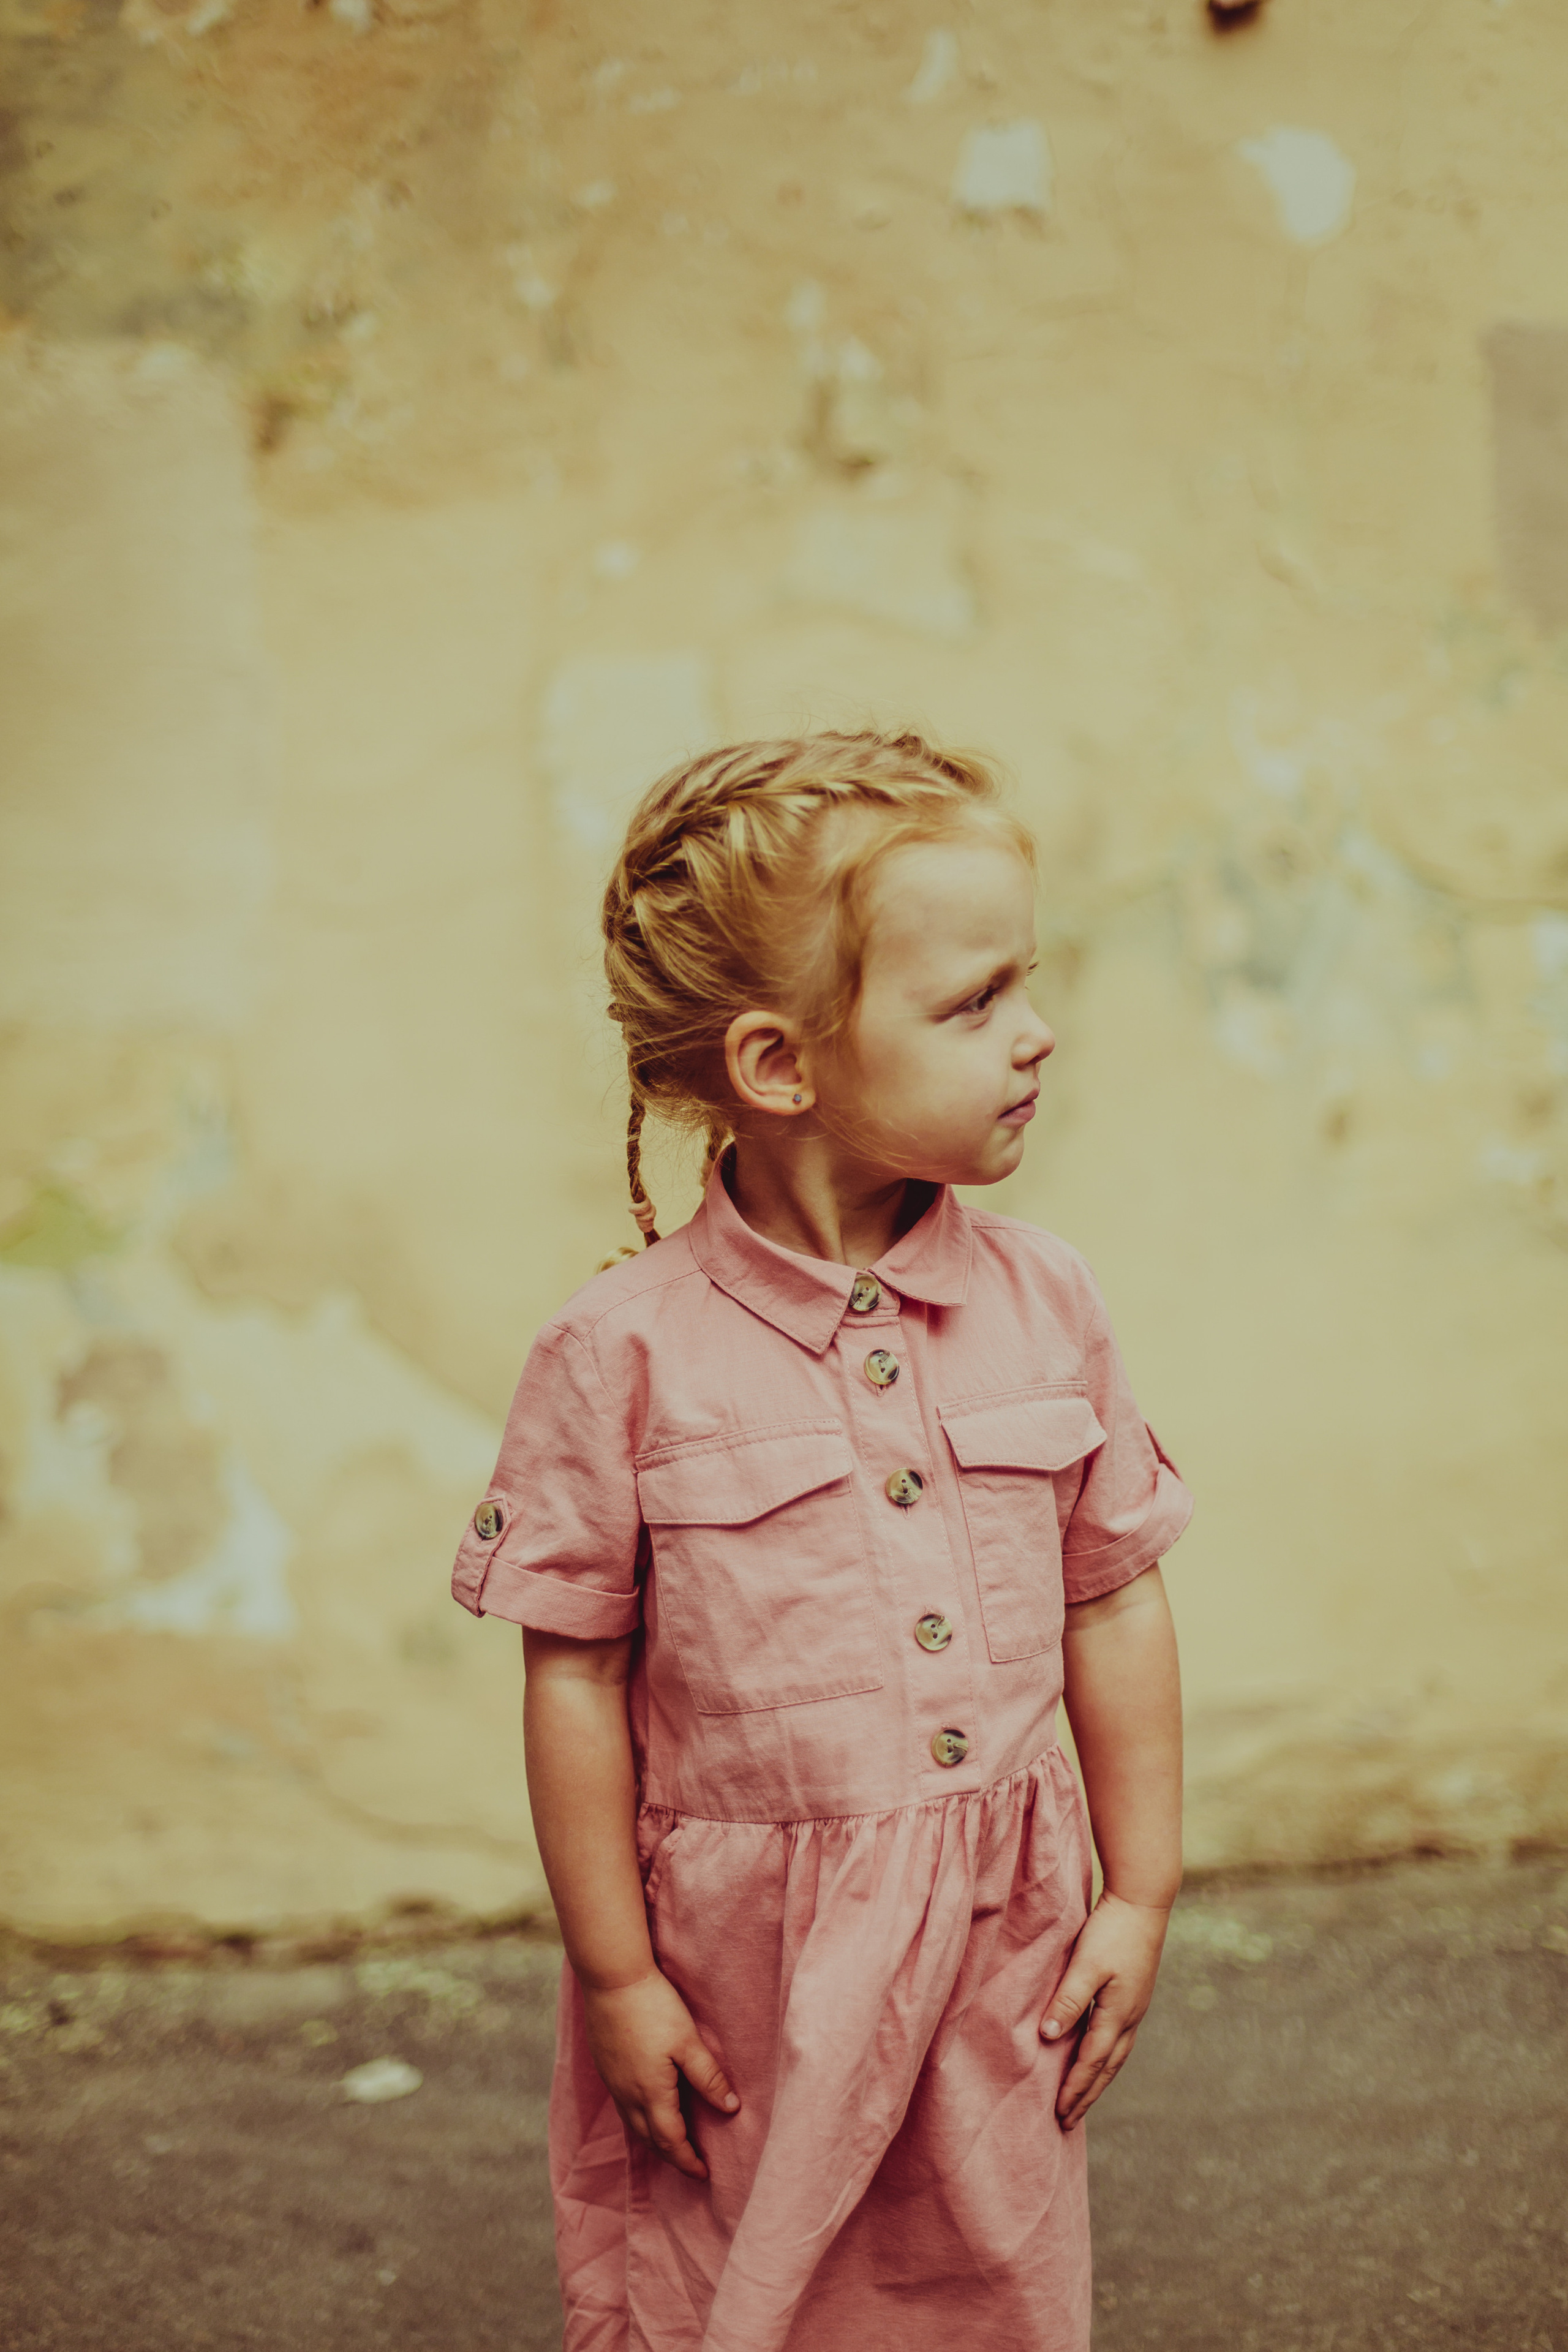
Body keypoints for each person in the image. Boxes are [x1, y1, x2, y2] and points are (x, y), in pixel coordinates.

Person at [451, 731, 1192, 2352]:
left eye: (1028, 983)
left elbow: (1114, 1594)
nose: (1036, 1033)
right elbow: (574, 1677)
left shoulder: (1047, 1299)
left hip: (1000, 1947)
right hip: (748, 1974)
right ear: (782, 1064)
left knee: (988, 2290)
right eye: (971, 1003)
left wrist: (1138, 1891)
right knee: (731, 2294)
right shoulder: (618, 1352)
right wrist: (621, 1980)